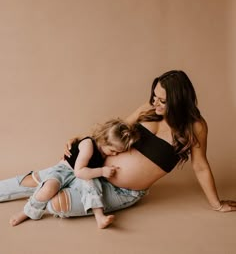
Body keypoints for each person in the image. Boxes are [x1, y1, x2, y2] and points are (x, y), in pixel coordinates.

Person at [1, 70, 236, 223]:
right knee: (38, 179)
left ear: (179, 101)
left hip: (122, 190)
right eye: (154, 96)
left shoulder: (195, 127)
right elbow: (114, 131)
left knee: (56, 201)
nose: (155, 103)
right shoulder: (150, 108)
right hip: (93, 164)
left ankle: (40, 200)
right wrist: (82, 140)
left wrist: (216, 205)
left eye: (162, 100)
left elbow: (201, 167)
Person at [9, 119, 139, 228]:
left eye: (118, 153)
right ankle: (28, 212)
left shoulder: (104, 149)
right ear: (104, 140)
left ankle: (99, 217)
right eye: (113, 151)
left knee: (93, 187)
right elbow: (79, 171)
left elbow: (85, 175)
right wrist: (102, 171)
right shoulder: (88, 145)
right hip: (66, 170)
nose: (115, 154)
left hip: (85, 174)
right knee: (48, 188)